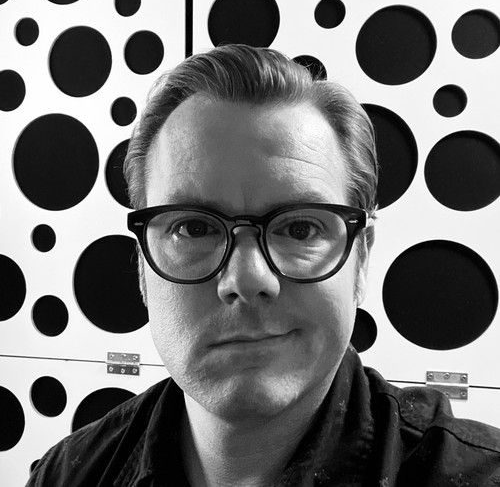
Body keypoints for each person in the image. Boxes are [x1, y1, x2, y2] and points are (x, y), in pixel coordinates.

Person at [27, 44, 500, 487]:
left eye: (300, 229)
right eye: (194, 228)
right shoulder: (67, 475)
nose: (247, 278)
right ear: (141, 270)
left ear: (360, 259)